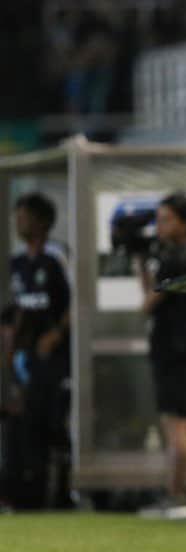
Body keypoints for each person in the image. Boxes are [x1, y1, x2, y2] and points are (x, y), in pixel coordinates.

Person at [137, 192, 186, 513]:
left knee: (176, 424)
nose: (159, 226)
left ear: (184, 223)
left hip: (173, 349)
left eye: (166, 219)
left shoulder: (175, 259)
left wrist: (140, 263)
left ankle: (179, 495)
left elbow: (148, 304)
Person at [0, 192, 72, 509]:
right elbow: (16, 311)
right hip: (25, 356)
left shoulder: (57, 256)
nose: (19, 222)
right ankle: (26, 493)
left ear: (42, 221)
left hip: (56, 357)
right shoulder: (16, 261)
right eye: (16, 216)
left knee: (53, 421)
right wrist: (10, 350)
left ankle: (61, 492)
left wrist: (56, 334)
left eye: (24, 216)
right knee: (23, 421)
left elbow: (77, 304)